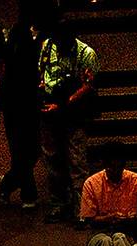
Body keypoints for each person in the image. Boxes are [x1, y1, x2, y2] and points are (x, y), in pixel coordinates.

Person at [36, 14, 99, 221]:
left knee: (76, 161)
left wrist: (63, 104)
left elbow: (88, 86)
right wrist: (42, 89)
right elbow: (42, 71)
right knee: (52, 160)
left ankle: (81, 207)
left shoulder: (86, 54)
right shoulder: (47, 46)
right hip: (49, 110)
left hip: (74, 112)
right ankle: (58, 203)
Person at [0, 0, 41, 208]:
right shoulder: (18, 35)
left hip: (30, 99)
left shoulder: (32, 36)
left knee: (31, 150)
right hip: (16, 100)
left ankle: (8, 183)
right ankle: (28, 193)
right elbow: (5, 65)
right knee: (20, 149)